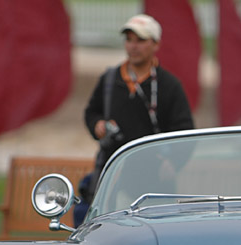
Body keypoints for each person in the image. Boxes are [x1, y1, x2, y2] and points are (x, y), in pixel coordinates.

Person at [77, 14, 195, 224]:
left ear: (155, 44)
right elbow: (91, 112)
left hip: (155, 181)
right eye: (129, 40)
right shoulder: (110, 79)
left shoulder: (170, 85)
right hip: (113, 174)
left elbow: (185, 130)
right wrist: (97, 125)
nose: (133, 46)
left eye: (140, 40)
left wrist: (173, 163)